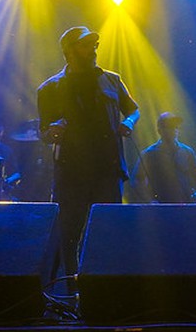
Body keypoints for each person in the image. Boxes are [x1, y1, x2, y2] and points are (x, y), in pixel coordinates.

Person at [38, 26, 139, 275]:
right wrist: (52, 132)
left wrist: (128, 122)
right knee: (69, 233)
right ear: (70, 51)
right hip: (71, 173)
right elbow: (43, 132)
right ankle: (72, 289)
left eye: (94, 44)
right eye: (86, 45)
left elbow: (134, 110)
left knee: (109, 230)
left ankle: (106, 288)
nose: (94, 49)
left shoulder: (112, 80)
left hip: (108, 169)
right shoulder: (50, 88)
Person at [131, 112, 196, 203]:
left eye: (176, 127)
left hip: (185, 206)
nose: (174, 130)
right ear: (160, 130)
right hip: (161, 208)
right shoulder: (149, 154)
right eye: (169, 126)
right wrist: (150, 201)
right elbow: (136, 180)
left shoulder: (187, 151)